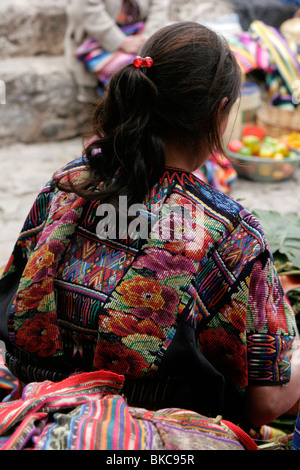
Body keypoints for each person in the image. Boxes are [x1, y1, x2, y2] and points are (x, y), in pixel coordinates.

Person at [0, 22, 299, 434]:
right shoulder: (234, 235)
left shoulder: (70, 184)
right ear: (220, 111)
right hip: (150, 434)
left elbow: (13, 285)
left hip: (36, 407)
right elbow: (265, 403)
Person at [65, 0, 171, 101]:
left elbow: (159, 6)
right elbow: (85, 8)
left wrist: (148, 38)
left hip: (142, 32)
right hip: (100, 39)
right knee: (130, 76)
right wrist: (121, 42)